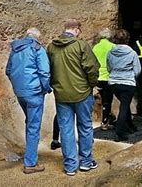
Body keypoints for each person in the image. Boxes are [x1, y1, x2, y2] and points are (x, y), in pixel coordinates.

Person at [47, 19, 100, 176]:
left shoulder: (51, 47)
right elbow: (92, 68)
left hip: (61, 94)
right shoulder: (81, 45)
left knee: (66, 129)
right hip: (82, 93)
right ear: (76, 30)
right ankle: (85, 161)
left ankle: (70, 165)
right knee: (85, 127)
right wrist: (92, 84)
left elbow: (47, 69)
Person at [6, 28, 51, 174]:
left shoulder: (16, 49)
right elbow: (44, 72)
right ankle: (30, 163)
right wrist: (45, 88)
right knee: (33, 126)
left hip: (20, 92)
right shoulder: (38, 49)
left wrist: (17, 85)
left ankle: (29, 154)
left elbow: (8, 70)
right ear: (38, 37)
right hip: (34, 92)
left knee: (29, 123)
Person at [107, 29, 141, 142]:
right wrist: (131, 76)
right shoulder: (132, 53)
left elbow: (109, 67)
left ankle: (130, 126)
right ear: (127, 39)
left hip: (114, 83)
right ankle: (119, 133)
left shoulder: (111, 52)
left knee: (124, 104)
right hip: (127, 82)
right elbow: (137, 70)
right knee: (124, 107)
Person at [92, 28, 116, 130]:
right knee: (108, 99)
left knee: (102, 98)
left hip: (98, 76)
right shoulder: (113, 47)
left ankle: (103, 118)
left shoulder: (95, 47)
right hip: (109, 76)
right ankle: (105, 121)